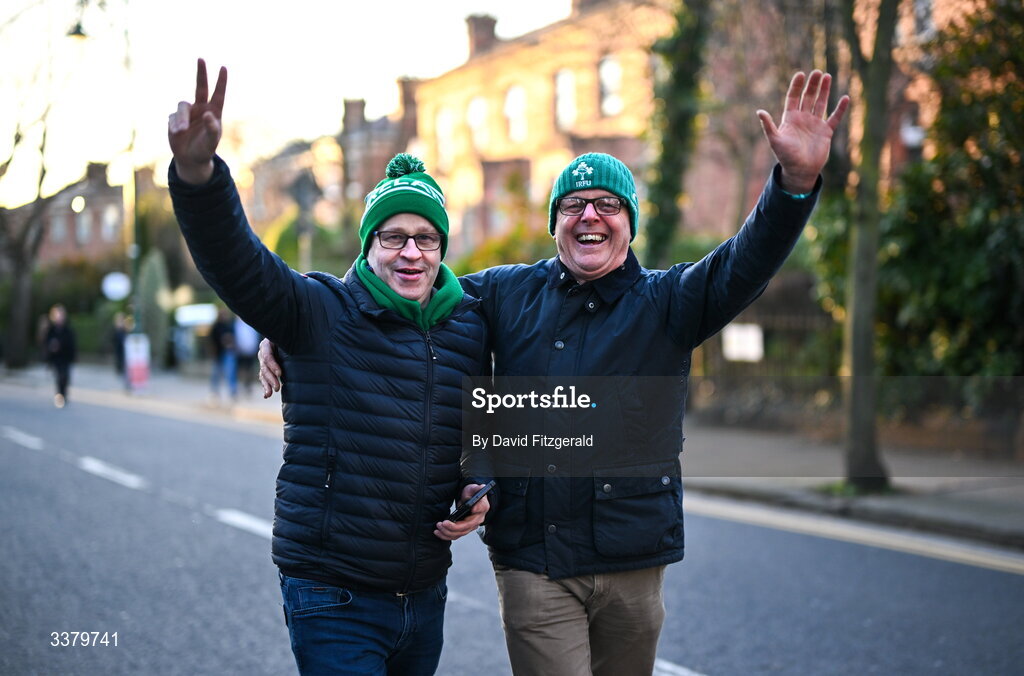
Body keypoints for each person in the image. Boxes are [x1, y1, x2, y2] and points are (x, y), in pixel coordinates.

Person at [261, 70, 849, 675]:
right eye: (573, 205)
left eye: (607, 205)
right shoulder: (502, 293)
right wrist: (296, 326)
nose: (589, 216)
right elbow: (399, 293)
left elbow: (744, 263)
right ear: (555, 222)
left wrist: (794, 184)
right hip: (534, 563)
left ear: (629, 222)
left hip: (633, 559)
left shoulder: (668, 302)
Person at [167, 59, 490, 675]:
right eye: (393, 236)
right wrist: (197, 174)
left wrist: (483, 486)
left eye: (427, 237)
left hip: (424, 596)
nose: (412, 252)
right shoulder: (320, 312)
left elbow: (491, 423)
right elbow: (239, 265)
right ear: (368, 246)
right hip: (333, 594)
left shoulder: (469, 323)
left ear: (443, 248)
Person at [44, 304, 76, 409]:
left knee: (65, 377)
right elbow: (46, 342)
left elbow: (71, 344)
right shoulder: (51, 330)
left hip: (66, 357)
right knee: (59, 377)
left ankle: (64, 394)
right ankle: (59, 396)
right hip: (56, 358)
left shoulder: (68, 329)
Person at [207, 307, 238, 403]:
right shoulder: (215, 327)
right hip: (218, 354)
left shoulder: (229, 326)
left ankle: (233, 393)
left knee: (230, 373)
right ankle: (214, 393)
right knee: (216, 375)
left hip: (228, 353)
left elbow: (234, 338)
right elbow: (211, 341)